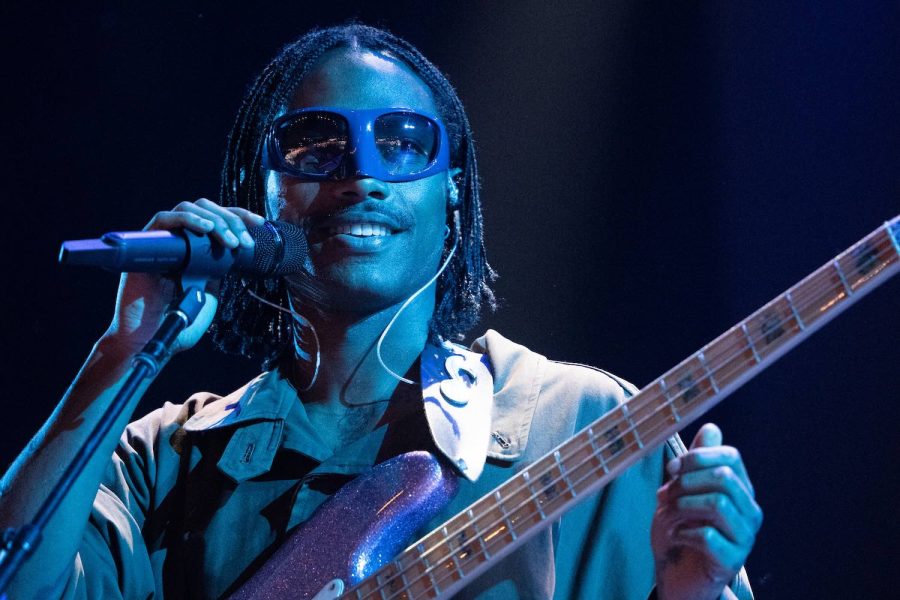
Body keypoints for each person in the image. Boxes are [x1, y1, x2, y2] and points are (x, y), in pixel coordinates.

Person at [0, 24, 761, 600]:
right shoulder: (163, 460)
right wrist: (126, 349)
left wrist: (692, 590)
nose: (361, 172)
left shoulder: (583, 422)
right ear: (259, 192)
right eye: (315, 144)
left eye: (402, 144)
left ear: (452, 191)